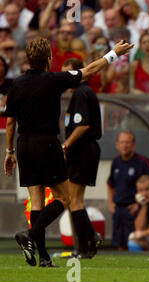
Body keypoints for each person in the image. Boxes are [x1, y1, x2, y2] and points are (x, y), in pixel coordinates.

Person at [4, 38, 133, 267]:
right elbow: (90, 70)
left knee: (37, 201)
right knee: (64, 198)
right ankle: (30, 235)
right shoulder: (54, 80)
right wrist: (114, 53)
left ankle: (43, 258)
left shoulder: (16, 84)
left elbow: (11, 121)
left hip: (24, 145)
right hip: (47, 143)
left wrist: (9, 150)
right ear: (49, 59)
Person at [60, 58, 103, 258]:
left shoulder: (81, 93)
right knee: (74, 200)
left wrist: (66, 144)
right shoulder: (83, 93)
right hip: (85, 149)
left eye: (68, 74)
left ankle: (88, 241)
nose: (64, 78)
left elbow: (83, 125)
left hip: (82, 148)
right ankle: (87, 244)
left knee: (73, 200)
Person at [107, 130, 149, 250]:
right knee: (118, 245)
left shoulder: (142, 161)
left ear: (134, 145)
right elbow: (110, 184)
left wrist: (141, 202)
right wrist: (111, 202)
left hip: (133, 209)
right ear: (117, 145)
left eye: (128, 142)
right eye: (122, 142)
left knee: (133, 242)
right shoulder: (116, 162)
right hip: (118, 209)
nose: (125, 145)